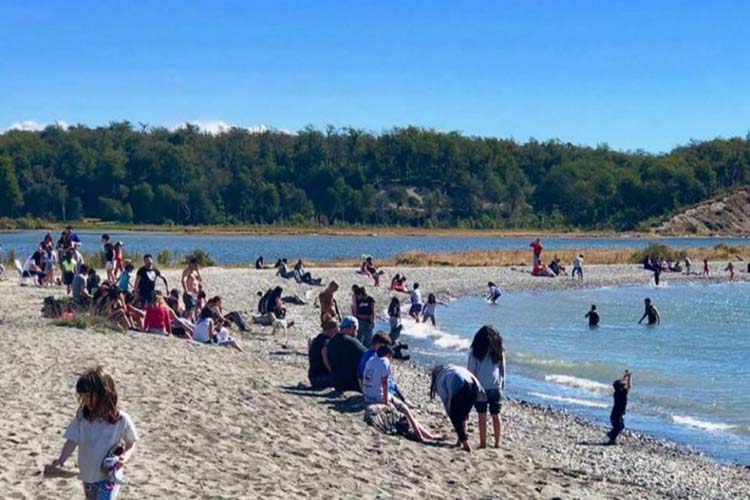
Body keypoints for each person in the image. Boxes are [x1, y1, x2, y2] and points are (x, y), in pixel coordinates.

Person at [47, 366, 138, 499]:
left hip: (109, 475)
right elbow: (72, 441)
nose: (85, 400)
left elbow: (131, 442)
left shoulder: (121, 419)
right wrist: (61, 459)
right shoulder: (82, 417)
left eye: (89, 396)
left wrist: (125, 456)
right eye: (83, 396)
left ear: (105, 394)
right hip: (87, 475)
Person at [362, 345, 437, 442]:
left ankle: (429, 436)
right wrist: (386, 401)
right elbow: (384, 383)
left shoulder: (371, 360)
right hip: (378, 397)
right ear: (388, 355)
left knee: (404, 409)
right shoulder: (384, 361)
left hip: (368, 396)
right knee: (406, 410)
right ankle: (421, 437)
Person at [430, 364, 485, 452]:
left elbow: (446, 400)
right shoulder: (452, 369)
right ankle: (460, 440)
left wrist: (450, 413)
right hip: (474, 385)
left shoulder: (440, 379)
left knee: (455, 416)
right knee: (463, 415)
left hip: (460, 384)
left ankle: (465, 443)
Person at [467, 326, 505, 449]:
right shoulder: (499, 351)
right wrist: (502, 385)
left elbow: (470, 371)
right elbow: (503, 371)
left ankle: (483, 443)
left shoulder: (475, 351)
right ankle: (497, 443)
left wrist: (470, 388)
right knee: (496, 415)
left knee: (481, 416)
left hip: (480, 387)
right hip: (495, 386)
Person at [322, 316, 366, 392]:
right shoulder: (352, 342)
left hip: (337, 382)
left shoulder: (331, 342)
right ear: (352, 327)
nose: (356, 333)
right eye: (356, 330)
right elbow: (367, 355)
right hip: (352, 385)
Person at [308, 317, 338, 389]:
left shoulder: (316, 339)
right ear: (333, 329)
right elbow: (325, 359)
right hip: (321, 379)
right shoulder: (326, 343)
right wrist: (333, 373)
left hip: (313, 377)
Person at [607, 370, 632, 445]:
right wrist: (629, 377)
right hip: (616, 415)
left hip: (617, 414)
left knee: (621, 426)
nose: (625, 385)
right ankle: (611, 440)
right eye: (624, 385)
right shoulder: (622, 393)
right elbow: (629, 386)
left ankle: (611, 434)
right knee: (618, 427)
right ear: (621, 388)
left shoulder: (617, 393)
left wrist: (625, 376)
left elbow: (622, 383)